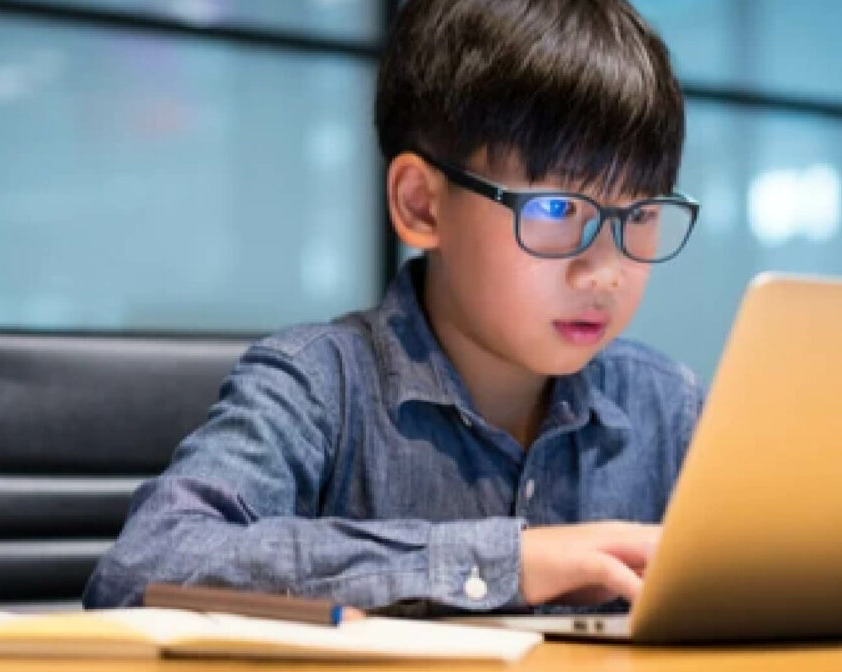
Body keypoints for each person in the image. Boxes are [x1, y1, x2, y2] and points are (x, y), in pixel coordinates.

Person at [84, 0, 705, 615]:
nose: (604, 271)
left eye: (641, 214)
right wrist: (508, 562)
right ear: (421, 206)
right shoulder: (320, 387)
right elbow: (147, 563)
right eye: (555, 209)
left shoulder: (668, 407)